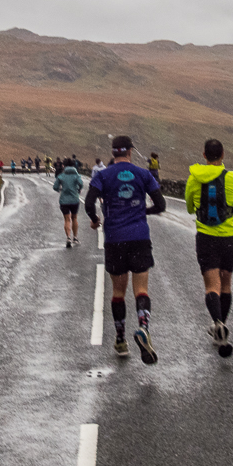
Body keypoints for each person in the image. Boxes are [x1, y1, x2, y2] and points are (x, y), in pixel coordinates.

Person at [86, 135, 165, 363]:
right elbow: (161, 204)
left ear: (113, 153)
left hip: (114, 239)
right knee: (141, 290)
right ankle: (143, 327)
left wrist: (94, 219)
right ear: (130, 151)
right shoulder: (143, 174)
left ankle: (120, 339)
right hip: (139, 237)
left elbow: (89, 202)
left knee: (118, 293)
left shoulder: (103, 175)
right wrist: (142, 212)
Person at [185, 139, 233, 357]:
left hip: (206, 237)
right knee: (226, 282)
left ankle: (217, 322)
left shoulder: (194, 178)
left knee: (212, 285)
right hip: (229, 236)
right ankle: (222, 326)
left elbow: (190, 207)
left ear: (204, 155)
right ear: (223, 155)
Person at [53, 159, 84, 247]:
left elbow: (55, 187)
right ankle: (75, 237)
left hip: (64, 200)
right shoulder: (76, 175)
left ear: (64, 166)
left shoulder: (61, 176)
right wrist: (78, 189)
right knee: (74, 218)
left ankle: (68, 238)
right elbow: (81, 184)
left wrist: (61, 190)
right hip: (74, 199)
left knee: (67, 219)